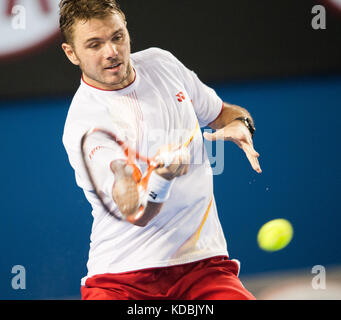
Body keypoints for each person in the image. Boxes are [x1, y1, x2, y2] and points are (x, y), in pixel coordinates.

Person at [60, 0, 261, 300]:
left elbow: (224, 112)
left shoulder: (161, 63)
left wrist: (242, 124)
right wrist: (161, 180)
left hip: (202, 267)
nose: (111, 52)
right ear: (71, 53)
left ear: (127, 31)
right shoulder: (85, 123)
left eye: (117, 37)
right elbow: (135, 211)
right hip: (120, 280)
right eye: (94, 45)